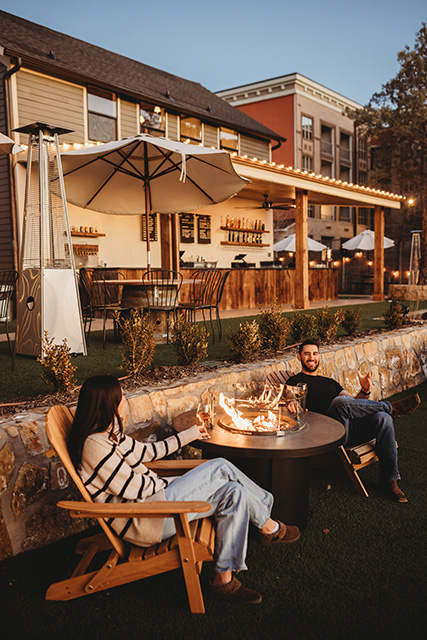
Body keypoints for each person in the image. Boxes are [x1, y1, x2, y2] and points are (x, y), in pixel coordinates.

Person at [67, 375, 300, 605]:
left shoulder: (109, 435)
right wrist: (178, 484)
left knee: (233, 492)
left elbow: (149, 453)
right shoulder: (94, 445)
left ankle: (223, 580)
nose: (124, 400)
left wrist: (191, 434)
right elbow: (134, 488)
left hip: (155, 503)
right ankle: (268, 523)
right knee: (219, 466)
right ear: (108, 403)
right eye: (120, 396)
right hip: (146, 519)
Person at [286, 339, 421, 504]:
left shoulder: (331, 382)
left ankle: (389, 481)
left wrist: (365, 390)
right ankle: (391, 408)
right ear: (299, 357)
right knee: (338, 402)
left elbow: (354, 402)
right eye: (307, 354)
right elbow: (289, 395)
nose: (311, 357)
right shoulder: (294, 381)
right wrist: (291, 401)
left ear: (319, 357)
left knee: (382, 418)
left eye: (315, 353)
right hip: (325, 434)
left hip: (348, 429)